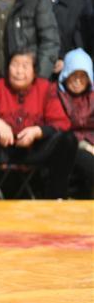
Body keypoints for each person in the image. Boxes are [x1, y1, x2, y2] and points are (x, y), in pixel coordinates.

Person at [0, 51, 75, 199]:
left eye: (25, 66)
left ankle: (56, 197)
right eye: (15, 65)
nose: (19, 71)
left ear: (34, 71)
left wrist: (38, 131)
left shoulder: (46, 88)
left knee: (69, 140)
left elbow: (62, 123)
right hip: (2, 149)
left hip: (35, 149)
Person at [57, 49, 94, 198]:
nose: (78, 81)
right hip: (69, 144)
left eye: (82, 77)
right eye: (74, 76)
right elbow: (61, 125)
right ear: (66, 75)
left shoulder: (92, 97)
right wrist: (86, 145)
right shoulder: (57, 96)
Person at [38, 0, 83, 75]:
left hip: (67, 72)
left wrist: (66, 60)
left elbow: (80, 43)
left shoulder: (76, 5)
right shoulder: (30, 2)